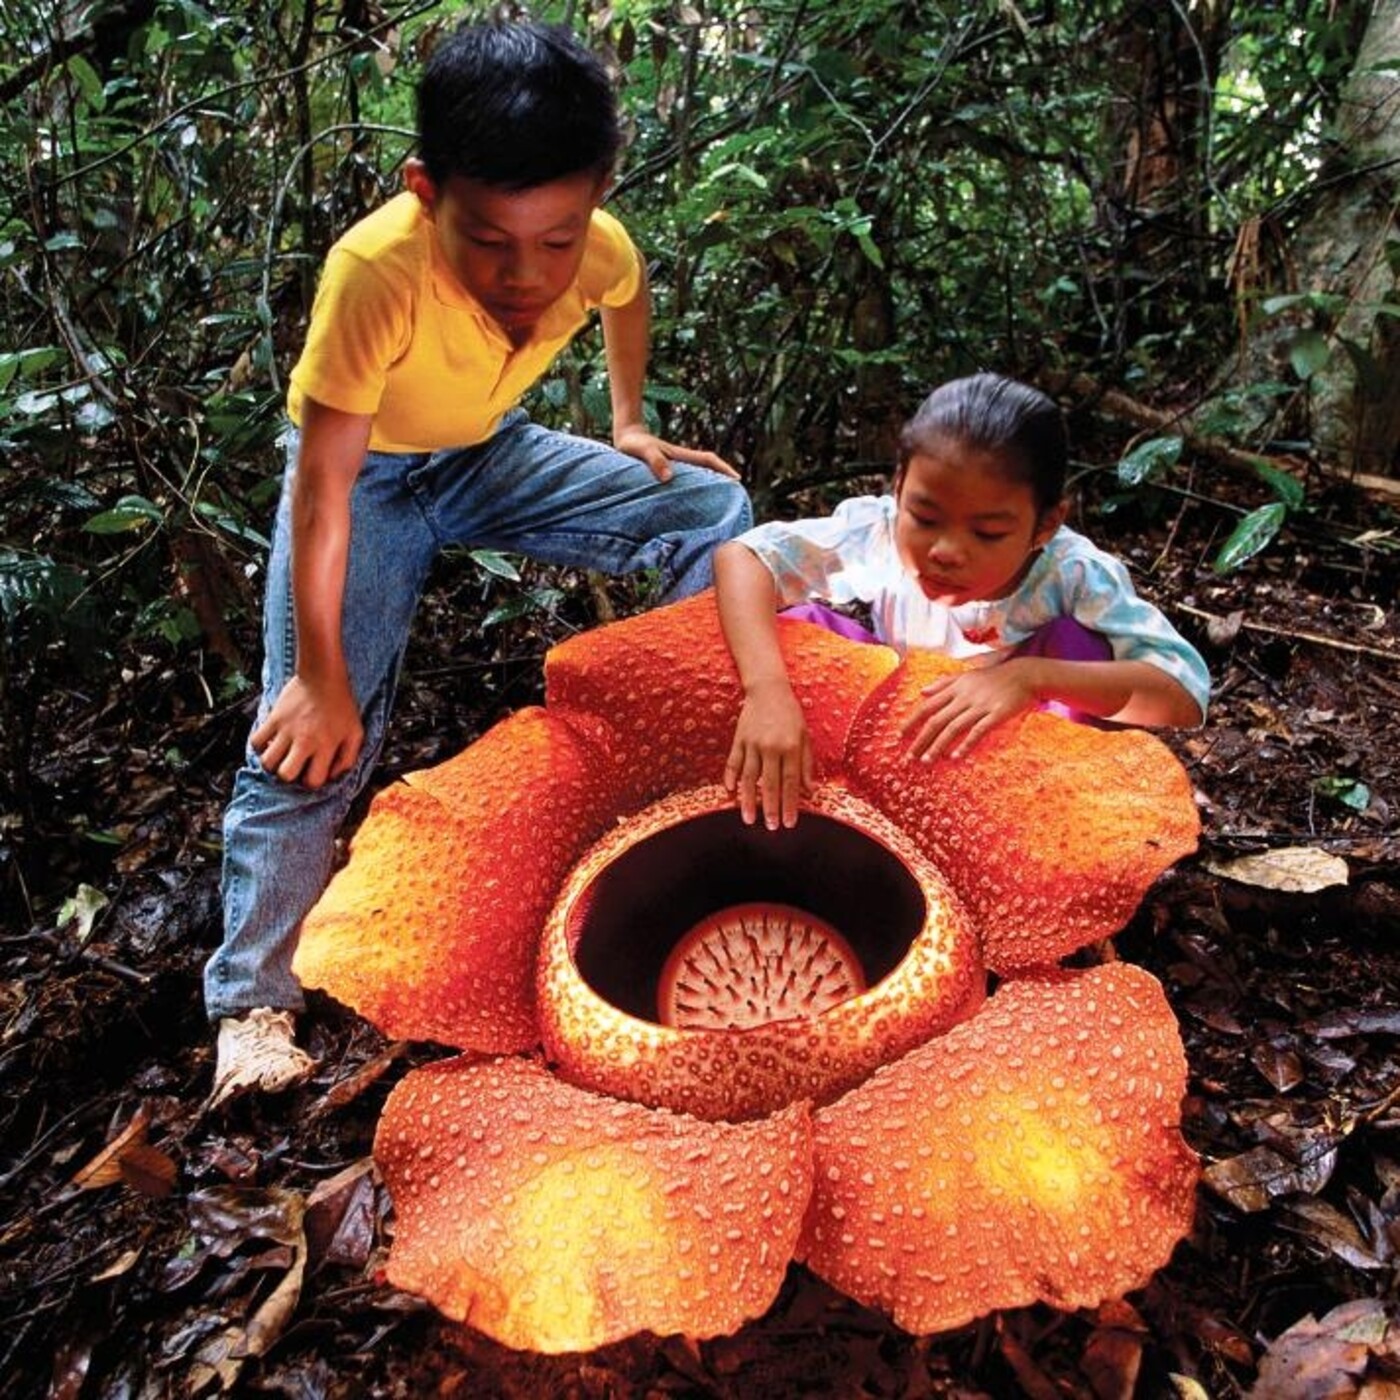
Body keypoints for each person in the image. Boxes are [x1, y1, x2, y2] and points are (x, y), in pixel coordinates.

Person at [205, 19, 751, 1103]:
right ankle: (252, 1004)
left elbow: (626, 290)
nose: (526, 275)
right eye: (491, 240)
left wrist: (629, 420)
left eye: (556, 241)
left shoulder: (598, 245)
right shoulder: (374, 271)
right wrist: (320, 676)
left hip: (484, 453)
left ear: (596, 195)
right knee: (308, 741)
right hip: (366, 483)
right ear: (426, 191)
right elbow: (323, 492)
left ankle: (667, 762)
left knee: (711, 509)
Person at [716, 372, 1208, 830]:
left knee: (1080, 646)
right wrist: (767, 691)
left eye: (987, 532)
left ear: (1045, 525)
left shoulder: (1072, 573)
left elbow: (1182, 694)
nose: (946, 551)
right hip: (899, 734)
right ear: (899, 487)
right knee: (798, 628)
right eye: (925, 518)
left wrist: (1030, 678)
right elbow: (745, 557)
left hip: (1026, 763)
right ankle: (799, 790)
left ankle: (1051, 828)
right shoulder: (879, 532)